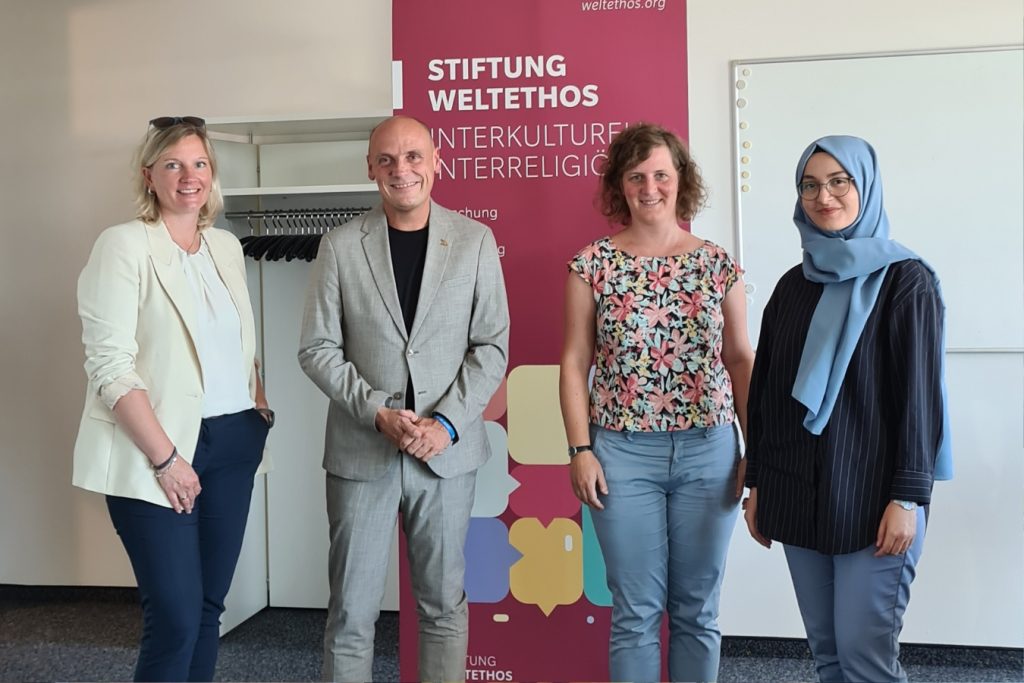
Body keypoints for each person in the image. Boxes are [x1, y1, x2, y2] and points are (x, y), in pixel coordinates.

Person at [298, 115, 510, 683]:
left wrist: (446, 424)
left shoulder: (474, 241)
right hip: (361, 454)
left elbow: (491, 347)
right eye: (387, 160)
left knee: (443, 607)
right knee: (351, 615)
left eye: (414, 156)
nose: (402, 170)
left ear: (437, 161)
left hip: (445, 457)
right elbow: (317, 348)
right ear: (370, 169)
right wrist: (376, 411)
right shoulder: (341, 246)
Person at [742, 135, 952, 683]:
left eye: (840, 181)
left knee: (866, 661)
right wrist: (758, 485)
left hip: (872, 503)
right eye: (810, 184)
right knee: (827, 656)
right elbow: (765, 393)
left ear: (867, 186)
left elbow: (919, 402)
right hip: (796, 494)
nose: (824, 196)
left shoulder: (907, 282)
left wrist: (907, 498)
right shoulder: (792, 286)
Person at [73, 116, 273, 682]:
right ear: (149, 175)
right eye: (173, 165)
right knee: (177, 617)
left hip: (233, 440)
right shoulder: (123, 245)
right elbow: (110, 366)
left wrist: (259, 411)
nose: (189, 177)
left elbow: (238, 342)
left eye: (200, 164)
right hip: (156, 449)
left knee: (210, 610)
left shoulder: (226, 247)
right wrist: (166, 459)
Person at [559, 122, 754, 683]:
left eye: (661, 174)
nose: (650, 187)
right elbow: (575, 361)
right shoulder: (591, 265)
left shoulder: (717, 264)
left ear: (680, 180)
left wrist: (756, 449)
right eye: (637, 176)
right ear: (620, 186)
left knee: (698, 611)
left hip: (709, 450)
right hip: (620, 454)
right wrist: (580, 449)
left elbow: (741, 359)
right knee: (636, 613)